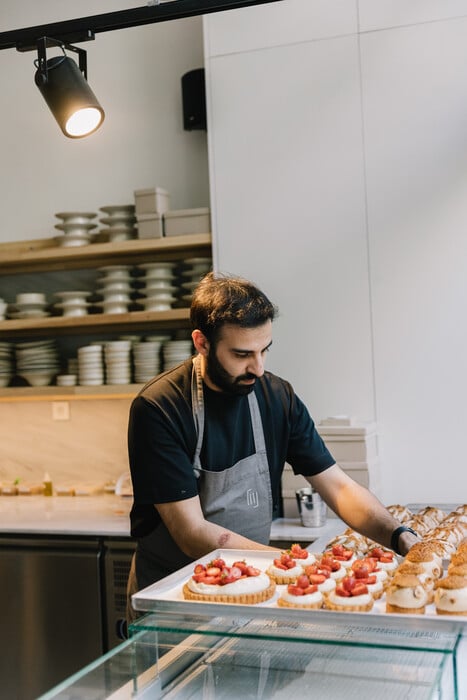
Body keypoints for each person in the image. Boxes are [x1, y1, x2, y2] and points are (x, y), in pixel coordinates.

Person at [126, 271, 418, 621]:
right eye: (242, 354)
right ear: (201, 342)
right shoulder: (160, 408)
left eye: (265, 350)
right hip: (177, 597)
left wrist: (399, 535)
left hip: (253, 588)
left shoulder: (278, 398)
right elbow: (192, 533)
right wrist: (293, 563)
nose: (259, 368)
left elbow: (339, 487)